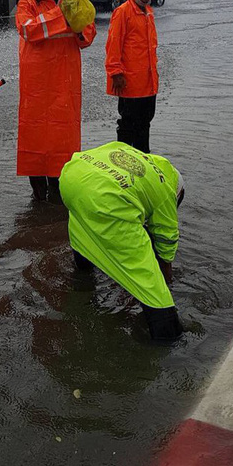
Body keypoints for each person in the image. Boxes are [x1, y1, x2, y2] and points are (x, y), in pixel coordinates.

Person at [59, 141, 185, 342]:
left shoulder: (136, 155)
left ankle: (82, 270)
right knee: (149, 282)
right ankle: (168, 336)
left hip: (71, 176)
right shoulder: (166, 192)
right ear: (178, 193)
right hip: (107, 198)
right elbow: (166, 240)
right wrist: (165, 279)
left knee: (83, 222)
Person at [16, 0, 96, 202]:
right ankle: (39, 203)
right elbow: (28, 31)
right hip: (35, 89)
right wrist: (63, 14)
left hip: (64, 87)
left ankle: (58, 202)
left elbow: (87, 38)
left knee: (62, 149)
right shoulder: (27, 3)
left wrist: (77, 21)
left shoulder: (76, 2)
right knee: (35, 149)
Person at [105, 0, 159, 153]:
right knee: (128, 125)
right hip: (130, 82)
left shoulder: (148, 13)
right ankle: (124, 162)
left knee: (145, 123)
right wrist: (115, 73)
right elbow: (113, 44)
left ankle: (144, 159)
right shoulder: (123, 12)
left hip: (149, 82)